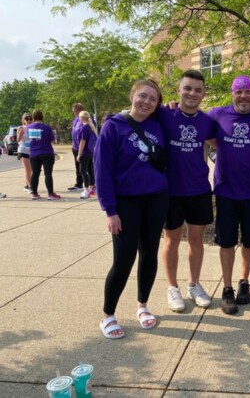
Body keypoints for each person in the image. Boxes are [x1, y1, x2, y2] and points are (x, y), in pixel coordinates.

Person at [95, 79, 169, 339]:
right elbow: (102, 172)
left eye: (153, 99)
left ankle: (143, 305)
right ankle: (108, 315)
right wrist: (110, 210)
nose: (147, 102)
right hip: (126, 203)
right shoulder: (112, 127)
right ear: (132, 96)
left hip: (156, 199)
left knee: (149, 254)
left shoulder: (158, 124)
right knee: (124, 259)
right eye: (143, 96)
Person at [207, 75, 250, 315]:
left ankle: (244, 281)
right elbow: (196, 126)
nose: (243, 96)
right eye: (239, 92)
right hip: (226, 190)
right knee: (227, 241)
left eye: (248, 91)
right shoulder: (216, 114)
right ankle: (227, 288)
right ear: (232, 94)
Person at [158, 70, 216, 312]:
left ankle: (194, 284)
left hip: (199, 189)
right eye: (188, 88)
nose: (192, 93)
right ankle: (173, 288)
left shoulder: (207, 122)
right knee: (171, 240)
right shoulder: (163, 114)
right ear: (179, 90)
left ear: (203, 94)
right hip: (170, 191)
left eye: (198, 90)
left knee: (196, 240)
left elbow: (219, 146)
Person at [27, 110, 61, 201]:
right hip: (46, 152)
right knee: (48, 173)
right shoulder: (46, 128)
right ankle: (50, 193)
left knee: (35, 173)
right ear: (42, 117)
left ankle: (34, 193)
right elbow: (52, 140)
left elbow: (28, 139)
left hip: (34, 153)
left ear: (33, 117)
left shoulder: (29, 128)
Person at [68, 103, 96, 195]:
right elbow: (74, 131)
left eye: (75, 111)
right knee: (79, 167)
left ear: (80, 110)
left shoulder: (87, 122)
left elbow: (84, 139)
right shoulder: (76, 119)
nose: (74, 113)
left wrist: (80, 153)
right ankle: (79, 183)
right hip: (76, 147)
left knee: (87, 168)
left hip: (84, 149)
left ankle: (90, 186)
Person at [76, 111, 98, 199]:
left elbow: (82, 141)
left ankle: (86, 189)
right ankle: (91, 187)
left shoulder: (84, 128)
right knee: (90, 169)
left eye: (79, 117)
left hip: (85, 152)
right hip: (90, 152)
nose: (79, 119)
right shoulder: (90, 128)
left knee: (82, 171)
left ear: (83, 118)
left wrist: (79, 154)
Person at [17, 113, 32, 193]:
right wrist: (20, 134)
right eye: (27, 119)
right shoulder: (21, 128)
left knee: (31, 170)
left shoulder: (33, 128)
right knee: (27, 170)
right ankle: (30, 187)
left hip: (32, 151)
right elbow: (18, 140)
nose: (29, 120)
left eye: (30, 119)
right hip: (23, 150)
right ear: (23, 120)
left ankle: (26, 186)